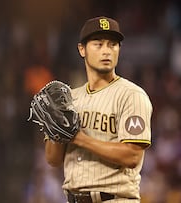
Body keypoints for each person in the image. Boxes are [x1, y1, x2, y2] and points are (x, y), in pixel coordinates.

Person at [44, 16, 153, 202]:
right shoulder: (69, 98)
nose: (107, 51)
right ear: (82, 49)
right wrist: (57, 130)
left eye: (113, 44)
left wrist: (78, 138)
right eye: (98, 44)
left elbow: (132, 155)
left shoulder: (132, 95)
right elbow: (53, 159)